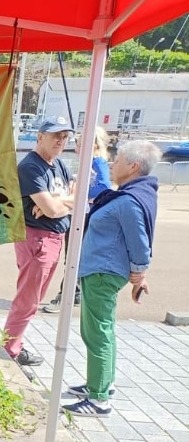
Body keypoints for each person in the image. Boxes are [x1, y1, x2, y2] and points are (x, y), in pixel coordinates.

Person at [62, 140, 160, 417]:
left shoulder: (129, 201)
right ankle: (101, 384)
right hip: (101, 270)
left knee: (97, 333)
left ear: (133, 166)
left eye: (117, 160)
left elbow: (140, 242)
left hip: (103, 273)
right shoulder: (128, 195)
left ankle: (99, 398)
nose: (112, 164)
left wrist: (140, 274)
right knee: (99, 331)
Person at [4, 116, 76, 366]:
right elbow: (53, 209)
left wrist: (58, 202)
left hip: (55, 238)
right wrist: (55, 205)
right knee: (28, 299)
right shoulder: (30, 167)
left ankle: (14, 344)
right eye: (56, 135)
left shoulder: (59, 165)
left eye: (64, 136)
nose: (61, 140)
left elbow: (79, 197)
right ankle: (8, 351)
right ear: (40, 136)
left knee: (34, 298)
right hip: (37, 239)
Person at [43, 125, 113, 313]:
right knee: (75, 256)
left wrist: (79, 193)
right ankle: (74, 292)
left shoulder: (96, 162)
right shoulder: (89, 162)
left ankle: (65, 295)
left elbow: (105, 186)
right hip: (80, 214)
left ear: (93, 145)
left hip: (84, 215)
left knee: (74, 256)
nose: (76, 146)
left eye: (80, 143)